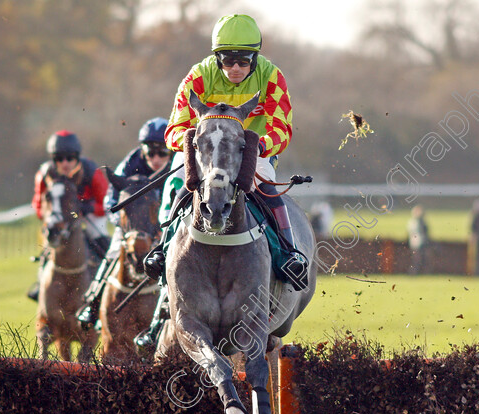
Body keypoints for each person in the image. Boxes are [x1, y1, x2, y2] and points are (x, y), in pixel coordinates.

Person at [134, 13, 307, 352]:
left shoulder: (272, 76)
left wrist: (253, 147)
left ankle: (287, 253)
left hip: (250, 150)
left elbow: (283, 127)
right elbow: (174, 128)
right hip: (204, 149)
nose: (236, 67)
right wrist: (198, 144)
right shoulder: (198, 76)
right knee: (176, 185)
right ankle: (163, 247)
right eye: (228, 59)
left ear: (255, 58)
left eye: (244, 60)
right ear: (217, 57)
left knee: (266, 187)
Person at [75, 117, 173, 330]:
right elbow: (111, 201)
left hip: (167, 224)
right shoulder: (128, 165)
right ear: (142, 149)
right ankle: (93, 304)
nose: (156, 158)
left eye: (162, 152)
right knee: (112, 253)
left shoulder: (178, 165)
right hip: (132, 226)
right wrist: (122, 226)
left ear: (171, 150)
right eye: (151, 152)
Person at [31, 130, 110, 260]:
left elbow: (107, 204)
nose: (65, 163)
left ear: (77, 157)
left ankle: (107, 261)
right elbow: (38, 206)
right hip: (60, 216)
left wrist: (90, 208)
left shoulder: (92, 172)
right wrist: (50, 215)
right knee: (48, 238)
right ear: (53, 159)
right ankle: (43, 272)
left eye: (70, 157)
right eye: (59, 158)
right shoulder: (45, 174)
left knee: (97, 232)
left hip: (89, 214)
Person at [407, 205, 430, 274]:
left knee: (417, 259)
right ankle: (415, 272)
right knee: (418, 260)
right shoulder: (418, 222)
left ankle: (415, 272)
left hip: (415, 243)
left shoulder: (412, 222)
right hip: (420, 243)